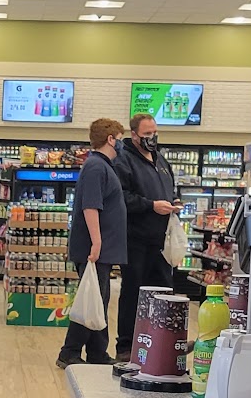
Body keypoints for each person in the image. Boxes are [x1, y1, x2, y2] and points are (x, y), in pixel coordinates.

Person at [56, 116, 126, 370]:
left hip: (102, 248)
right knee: (91, 299)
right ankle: (69, 352)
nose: (122, 144)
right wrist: (96, 243)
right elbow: (90, 207)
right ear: (111, 139)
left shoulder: (102, 166)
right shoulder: (96, 167)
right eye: (120, 139)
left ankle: (97, 351)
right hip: (94, 248)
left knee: (99, 299)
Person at [112, 112, 182, 360]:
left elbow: (171, 189)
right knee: (133, 292)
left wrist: (174, 202)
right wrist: (151, 205)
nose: (152, 138)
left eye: (155, 132)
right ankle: (126, 346)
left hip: (161, 240)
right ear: (134, 135)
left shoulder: (161, 160)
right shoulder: (124, 160)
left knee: (163, 292)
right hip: (136, 239)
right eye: (147, 134)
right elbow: (122, 197)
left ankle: (160, 343)